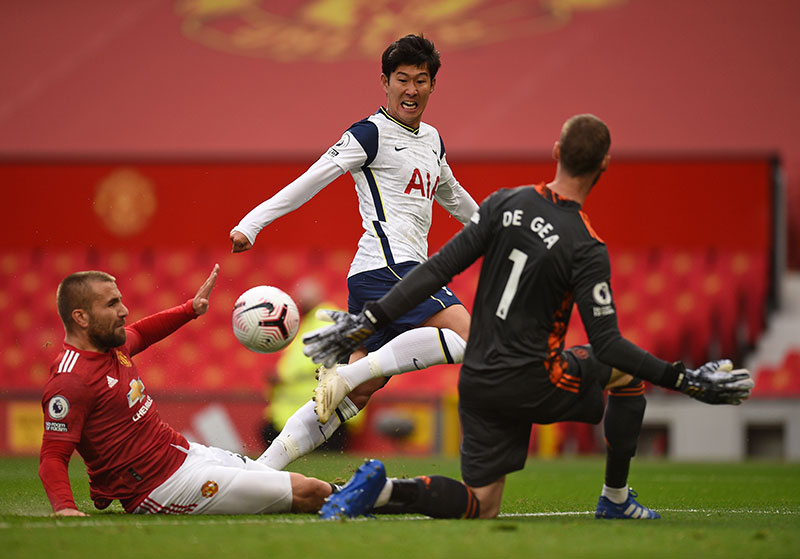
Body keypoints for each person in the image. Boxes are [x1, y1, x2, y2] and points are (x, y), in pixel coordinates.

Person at [305, 114, 755, 520]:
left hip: (479, 377)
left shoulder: (504, 205)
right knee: (624, 375)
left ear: (557, 153)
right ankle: (615, 499)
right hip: (534, 377)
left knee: (481, 505)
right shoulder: (586, 246)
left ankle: (385, 490)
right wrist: (685, 379)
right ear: (604, 167)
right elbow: (609, 345)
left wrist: (368, 320)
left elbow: (436, 269)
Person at [230, 34, 478, 470]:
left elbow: (453, 195)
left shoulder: (433, 140)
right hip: (389, 267)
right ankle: (348, 372)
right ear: (385, 81)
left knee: (352, 397)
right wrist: (252, 223)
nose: (411, 89)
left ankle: (259, 471)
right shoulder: (370, 133)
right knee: (470, 337)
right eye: (402, 79)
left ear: (432, 86)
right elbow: (313, 177)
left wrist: (498, 231)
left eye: (421, 80)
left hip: (382, 275)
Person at [38, 265, 334, 516]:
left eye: (120, 301)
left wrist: (189, 309)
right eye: (111, 304)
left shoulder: (113, 346)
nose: (123, 310)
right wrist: (64, 507)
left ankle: (374, 494)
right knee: (307, 491)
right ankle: (372, 497)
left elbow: (142, 332)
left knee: (300, 483)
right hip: (157, 487)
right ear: (81, 317)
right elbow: (53, 455)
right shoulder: (70, 380)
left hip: (184, 454)